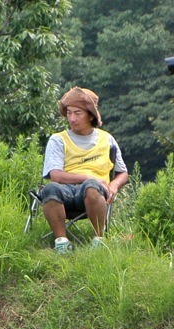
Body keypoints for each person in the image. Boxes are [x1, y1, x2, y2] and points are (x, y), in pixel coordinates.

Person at [40, 86, 129, 253]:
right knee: (50, 188)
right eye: (69, 113)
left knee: (91, 187)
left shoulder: (107, 139)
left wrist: (114, 186)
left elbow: (122, 172)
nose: (72, 118)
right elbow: (56, 175)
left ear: (90, 115)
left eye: (77, 113)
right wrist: (89, 177)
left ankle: (99, 239)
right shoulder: (58, 140)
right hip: (65, 190)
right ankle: (61, 242)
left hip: (95, 192)